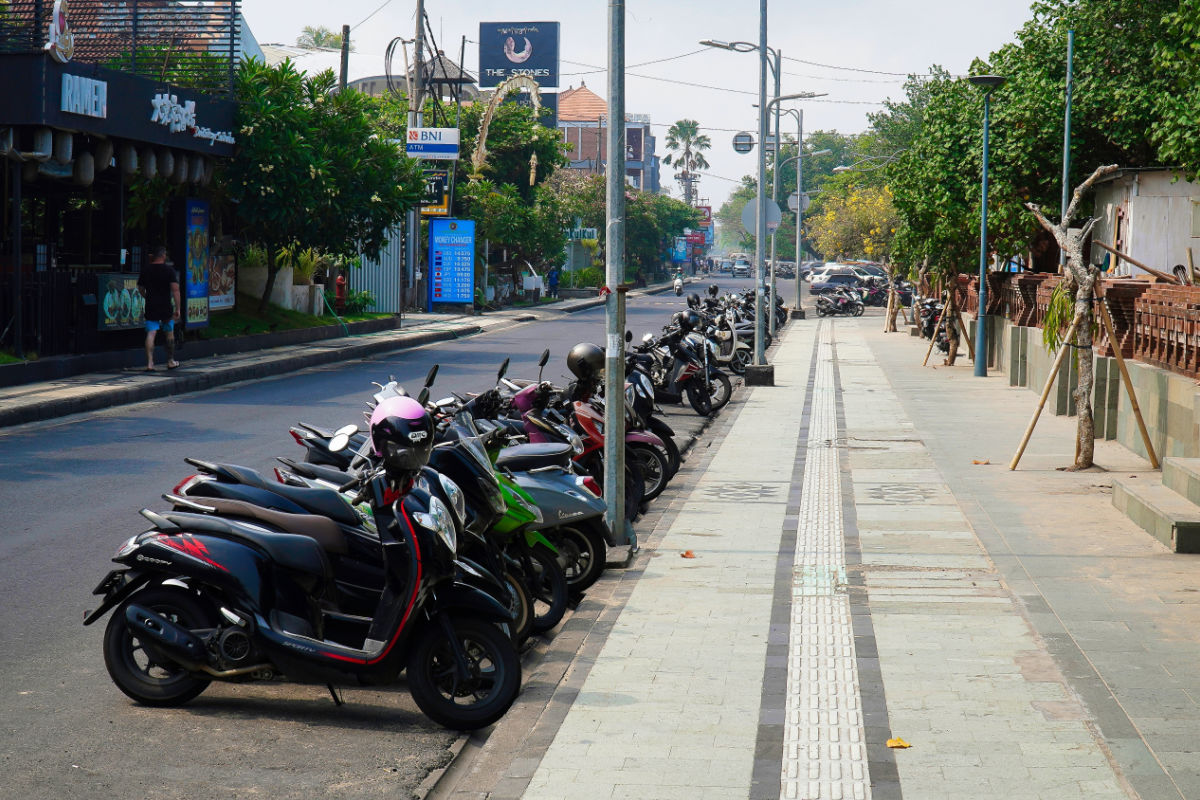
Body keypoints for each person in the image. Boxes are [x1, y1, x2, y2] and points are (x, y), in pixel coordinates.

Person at [137, 245, 181, 371]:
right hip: (166, 306)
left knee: (151, 333)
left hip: (151, 305)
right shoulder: (169, 270)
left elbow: (140, 288)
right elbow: (175, 290)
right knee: (169, 333)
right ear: (163, 256)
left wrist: (147, 296)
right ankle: (170, 361)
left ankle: (150, 363)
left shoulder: (146, 270)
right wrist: (178, 308)